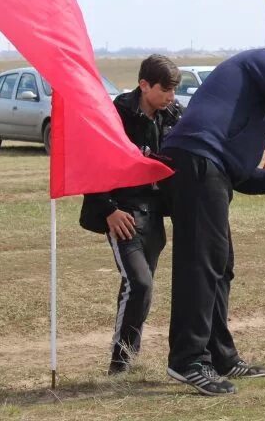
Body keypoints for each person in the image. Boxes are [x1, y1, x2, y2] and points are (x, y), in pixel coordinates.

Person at [160, 48, 265, 396]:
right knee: (202, 262)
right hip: (195, 160)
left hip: (211, 169)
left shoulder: (262, 117)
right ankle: (188, 360)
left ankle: (220, 355)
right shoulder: (263, 59)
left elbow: (242, 177)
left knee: (220, 263)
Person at [79, 55, 183, 375]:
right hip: (122, 213)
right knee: (137, 283)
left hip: (155, 214)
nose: (171, 97)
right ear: (143, 85)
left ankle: (129, 354)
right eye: (165, 90)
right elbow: (91, 163)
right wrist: (108, 209)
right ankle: (119, 365)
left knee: (145, 286)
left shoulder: (174, 115)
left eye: (174, 90)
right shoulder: (115, 114)